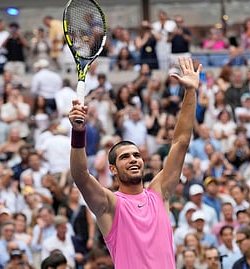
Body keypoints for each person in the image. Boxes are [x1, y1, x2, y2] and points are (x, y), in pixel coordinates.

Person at [69, 57, 201, 268]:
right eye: (125, 157)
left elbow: (180, 142)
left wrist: (190, 92)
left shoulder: (159, 192)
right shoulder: (109, 204)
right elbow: (81, 176)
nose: (133, 159)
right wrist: (78, 132)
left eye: (136, 155)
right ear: (112, 169)